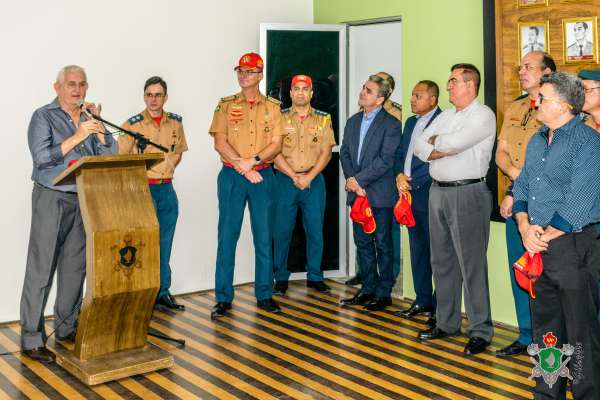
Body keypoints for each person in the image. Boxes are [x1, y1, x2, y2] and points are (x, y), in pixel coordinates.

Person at [20, 65, 117, 363]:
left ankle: (66, 327)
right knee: (42, 267)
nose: (77, 90)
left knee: (75, 269)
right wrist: (77, 136)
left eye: (82, 85)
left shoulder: (89, 118)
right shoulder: (43, 116)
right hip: (52, 197)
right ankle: (32, 338)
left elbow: (110, 155)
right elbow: (42, 157)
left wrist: (99, 130)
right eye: (71, 84)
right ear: (57, 87)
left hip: (84, 199)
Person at [512, 71, 600, 399]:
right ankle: (548, 393)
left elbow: (580, 201)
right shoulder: (537, 140)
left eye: (543, 98)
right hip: (539, 243)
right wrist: (524, 226)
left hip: (573, 247)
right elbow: (520, 185)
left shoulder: (588, 142)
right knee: (546, 331)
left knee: (580, 333)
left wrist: (541, 235)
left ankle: (587, 393)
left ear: (563, 106)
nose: (536, 102)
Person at [414, 64, 496, 356]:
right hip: (439, 191)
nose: (448, 87)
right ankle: (446, 323)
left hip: (468, 192)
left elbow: (453, 144)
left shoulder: (483, 115)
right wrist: (439, 145)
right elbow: (418, 145)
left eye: (453, 82)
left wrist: (438, 144)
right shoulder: (447, 116)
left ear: (470, 85)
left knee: (471, 265)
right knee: (442, 262)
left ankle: (481, 331)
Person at [208, 52, 284, 318]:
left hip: (263, 177)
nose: (243, 75)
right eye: (240, 71)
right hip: (232, 177)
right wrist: (242, 167)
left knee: (264, 238)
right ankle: (223, 298)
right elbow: (220, 142)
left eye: (250, 71)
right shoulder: (226, 105)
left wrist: (252, 162)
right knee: (227, 237)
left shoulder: (273, 107)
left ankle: (265, 294)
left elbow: (277, 143)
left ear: (260, 75)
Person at [495, 52, 556, 357]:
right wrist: (518, 183)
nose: (521, 71)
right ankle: (526, 335)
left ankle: (551, 340)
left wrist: (524, 183)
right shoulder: (516, 106)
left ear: (547, 73)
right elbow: (502, 152)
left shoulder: (560, 113)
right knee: (519, 268)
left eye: (528, 67)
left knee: (548, 275)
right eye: (520, 66)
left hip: (547, 205)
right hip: (518, 197)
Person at [119, 76, 188, 311]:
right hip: (143, 190)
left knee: (164, 243)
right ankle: (142, 293)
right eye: (149, 94)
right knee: (141, 245)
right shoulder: (133, 125)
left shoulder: (175, 123)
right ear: (144, 96)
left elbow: (178, 152)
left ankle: (162, 292)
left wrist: (166, 168)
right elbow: (120, 157)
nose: (153, 99)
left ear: (165, 97)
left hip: (167, 189)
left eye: (158, 95)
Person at [339, 75, 402, 311]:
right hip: (358, 193)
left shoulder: (391, 125)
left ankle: (383, 292)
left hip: (380, 194)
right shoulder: (353, 121)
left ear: (380, 99)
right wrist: (353, 181)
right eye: (363, 88)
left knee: (383, 243)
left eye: (368, 90)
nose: (362, 92)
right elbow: (345, 153)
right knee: (362, 243)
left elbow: (385, 161)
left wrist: (359, 180)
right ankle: (367, 288)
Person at [272, 75, 336, 296]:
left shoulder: (324, 119)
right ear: (290, 93)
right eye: (296, 89)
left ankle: (315, 276)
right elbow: (274, 152)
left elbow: (327, 152)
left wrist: (308, 177)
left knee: (315, 231)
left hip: (314, 180)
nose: (300, 92)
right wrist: (293, 176)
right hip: (284, 180)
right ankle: (280, 277)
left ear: (311, 93)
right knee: (282, 231)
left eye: (304, 89)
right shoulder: (278, 118)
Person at [394, 80, 442, 322]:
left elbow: (435, 160)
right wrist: (399, 175)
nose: (412, 99)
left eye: (418, 95)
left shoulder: (443, 121)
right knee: (417, 249)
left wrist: (412, 181)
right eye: (412, 95)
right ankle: (422, 299)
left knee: (436, 251)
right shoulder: (410, 122)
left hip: (428, 192)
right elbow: (401, 154)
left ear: (433, 100)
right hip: (408, 193)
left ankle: (437, 304)